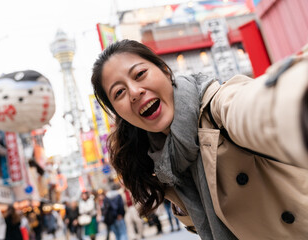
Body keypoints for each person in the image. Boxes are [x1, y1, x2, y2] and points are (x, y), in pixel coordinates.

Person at [90, 39, 308, 239]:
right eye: (119, 92)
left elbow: (254, 107)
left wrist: (296, 98)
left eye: (139, 74)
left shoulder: (217, 108)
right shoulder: (162, 164)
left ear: (165, 71)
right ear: (118, 114)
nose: (135, 92)